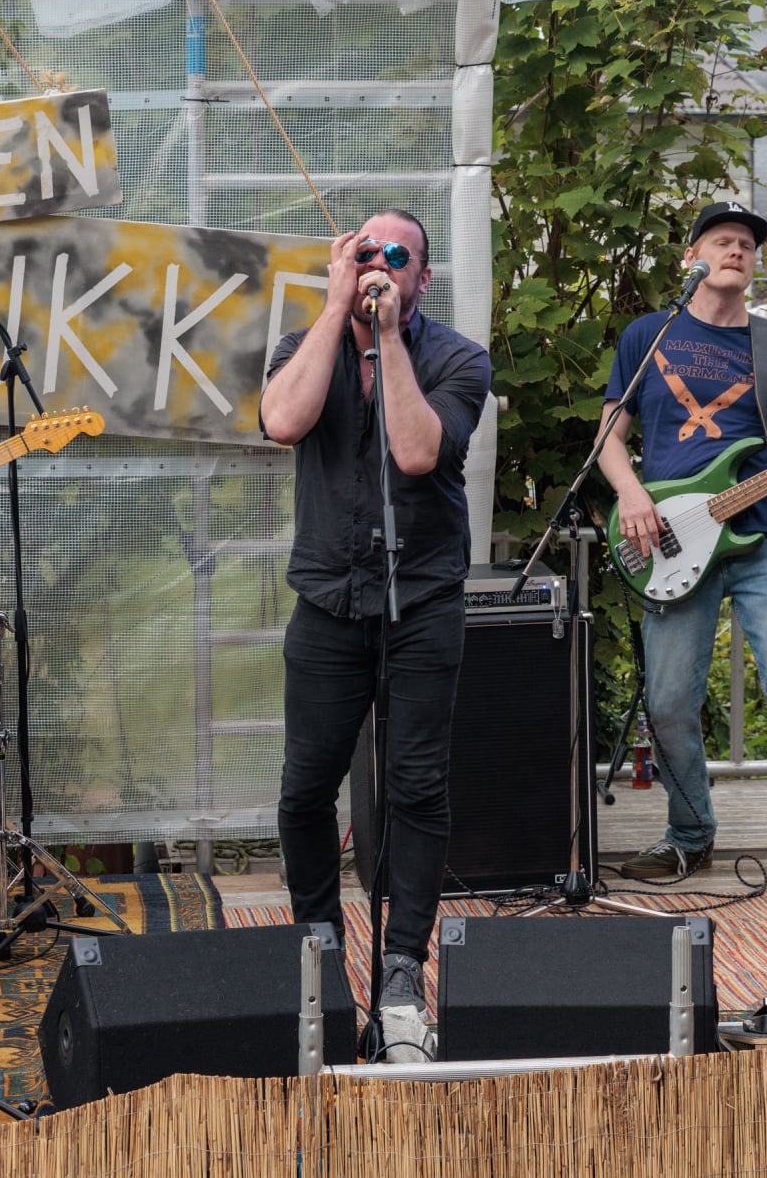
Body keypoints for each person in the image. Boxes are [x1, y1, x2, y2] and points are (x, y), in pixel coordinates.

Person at [260, 209, 491, 1061]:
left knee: (415, 788)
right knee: (304, 790)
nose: (380, 265)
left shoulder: (458, 358)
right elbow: (282, 422)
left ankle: (401, 970)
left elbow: (420, 453)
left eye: (399, 256)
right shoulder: (304, 346)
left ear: (423, 277)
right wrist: (336, 308)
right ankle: (320, 953)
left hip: (421, 600)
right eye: (367, 252)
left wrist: (388, 337)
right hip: (327, 600)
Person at [598, 201, 767, 899]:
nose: (736, 250)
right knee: (670, 700)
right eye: (722, 240)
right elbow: (609, 437)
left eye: (747, 245)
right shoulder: (649, 334)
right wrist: (631, 493)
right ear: (691, 258)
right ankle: (689, 836)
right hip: (671, 537)